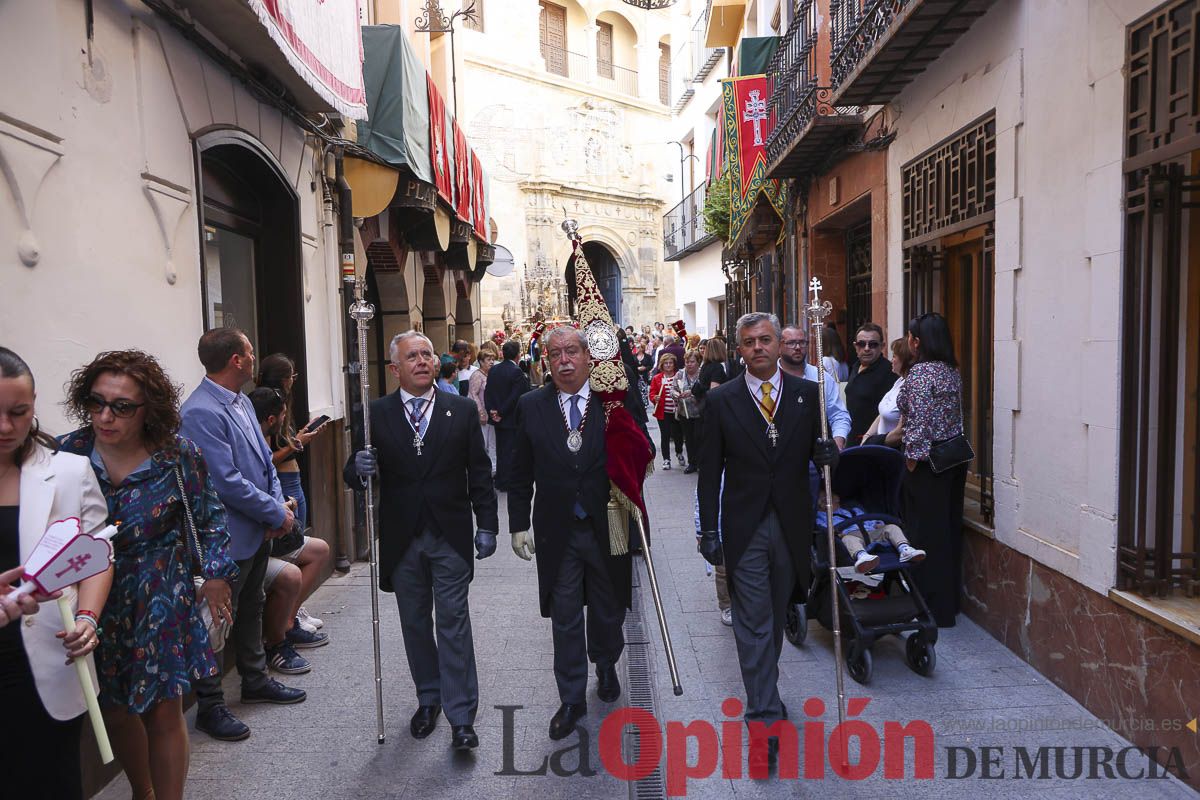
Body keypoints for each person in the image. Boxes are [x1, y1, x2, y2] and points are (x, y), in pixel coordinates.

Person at [56, 349, 234, 800]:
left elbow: (210, 517)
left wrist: (215, 575)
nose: (105, 417)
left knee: (163, 708)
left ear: (147, 409)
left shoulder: (176, 454)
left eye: (121, 407)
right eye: (96, 403)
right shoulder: (69, 452)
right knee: (114, 707)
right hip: (93, 596)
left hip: (159, 590)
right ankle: (143, 791)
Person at [696, 312, 838, 769]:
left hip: (793, 524)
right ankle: (762, 721)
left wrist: (829, 453)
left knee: (775, 619)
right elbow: (709, 472)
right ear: (738, 350)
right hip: (745, 526)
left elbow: (827, 451)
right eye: (748, 342)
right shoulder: (723, 401)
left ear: (781, 345)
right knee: (753, 623)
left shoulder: (807, 396)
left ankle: (766, 691)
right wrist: (708, 529)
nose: (758, 347)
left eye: (765, 339)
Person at [347, 331, 497, 751]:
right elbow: (353, 474)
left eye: (427, 354)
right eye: (411, 356)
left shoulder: (462, 409)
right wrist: (358, 467)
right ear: (395, 368)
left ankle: (462, 715)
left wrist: (487, 524)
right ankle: (428, 697)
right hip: (402, 537)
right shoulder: (376, 412)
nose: (422, 361)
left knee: (453, 623)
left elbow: (479, 473)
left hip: (449, 534)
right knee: (414, 623)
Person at [508, 326, 646, 741]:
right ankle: (570, 699)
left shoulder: (613, 402)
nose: (564, 360)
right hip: (557, 530)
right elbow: (518, 471)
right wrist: (517, 524)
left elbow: (643, 450)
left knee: (608, 609)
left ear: (588, 356)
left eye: (572, 351)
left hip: (608, 525)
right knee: (565, 616)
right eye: (555, 354)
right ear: (545, 361)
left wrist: (633, 451)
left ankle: (605, 663)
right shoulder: (530, 406)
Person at [180, 328, 305, 743]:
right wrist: (275, 512)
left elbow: (265, 461)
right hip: (225, 536)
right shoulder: (200, 411)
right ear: (236, 360)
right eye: (250, 352)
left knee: (251, 605)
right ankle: (211, 704)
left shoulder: (242, 403)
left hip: (257, 527)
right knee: (214, 618)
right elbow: (224, 481)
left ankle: (254, 679)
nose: (254, 358)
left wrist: (276, 508)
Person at [0, 347, 114, 800]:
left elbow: (97, 551)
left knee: (50, 781)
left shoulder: (68, 472)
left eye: (18, 412)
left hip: (47, 655)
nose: (6, 427)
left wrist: (87, 617)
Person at [898, 312, 970, 628]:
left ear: (917, 341)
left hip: (929, 463)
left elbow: (919, 422)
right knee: (947, 529)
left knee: (926, 534)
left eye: (911, 337)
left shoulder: (921, 374)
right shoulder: (951, 372)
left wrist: (912, 458)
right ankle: (948, 604)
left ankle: (928, 605)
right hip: (953, 460)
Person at [247, 387, 324, 676]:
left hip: (276, 516)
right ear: (271, 418)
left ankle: (288, 621)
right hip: (257, 533)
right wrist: (280, 510)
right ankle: (276, 639)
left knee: (319, 550)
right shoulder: (249, 439)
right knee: (289, 572)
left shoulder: (260, 434)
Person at [256, 354, 330, 640]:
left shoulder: (277, 405)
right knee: (292, 548)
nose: (293, 381)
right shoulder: (267, 406)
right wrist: (297, 444)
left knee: (296, 544)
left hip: (292, 478)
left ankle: (295, 611)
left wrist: (296, 439)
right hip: (284, 482)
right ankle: (289, 617)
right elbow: (267, 459)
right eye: (292, 376)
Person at [815, 487, 925, 573]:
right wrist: (835, 533)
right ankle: (862, 557)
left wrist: (878, 524)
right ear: (822, 505)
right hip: (851, 535)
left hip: (871, 532)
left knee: (892, 527)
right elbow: (823, 528)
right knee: (848, 539)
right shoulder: (821, 516)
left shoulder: (853, 510)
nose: (836, 502)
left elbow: (870, 519)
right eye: (830, 501)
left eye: (836, 500)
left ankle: (905, 549)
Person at [778, 325, 850, 449]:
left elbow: (838, 415)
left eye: (802, 342)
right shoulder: (770, 377)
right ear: (779, 346)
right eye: (791, 343)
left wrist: (837, 444)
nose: (797, 347)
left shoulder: (822, 378)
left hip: (817, 454)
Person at [844, 322, 898, 446]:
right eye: (862, 344)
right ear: (855, 346)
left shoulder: (889, 372)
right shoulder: (856, 366)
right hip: (853, 440)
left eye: (873, 344)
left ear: (882, 346)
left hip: (873, 443)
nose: (867, 348)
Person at [485, 339, 528, 492]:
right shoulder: (516, 371)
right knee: (510, 450)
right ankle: (507, 480)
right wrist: (501, 412)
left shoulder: (494, 370)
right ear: (517, 355)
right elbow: (515, 397)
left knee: (501, 449)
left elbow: (487, 392)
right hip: (510, 418)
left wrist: (492, 411)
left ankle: (501, 479)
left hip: (498, 417)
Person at [864, 337, 914, 445]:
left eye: (895, 356)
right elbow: (883, 413)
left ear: (905, 360)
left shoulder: (912, 388)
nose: (892, 360)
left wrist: (875, 443)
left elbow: (902, 432)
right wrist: (867, 436)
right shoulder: (899, 381)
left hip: (892, 451)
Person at [649, 353, 684, 470]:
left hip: (677, 411)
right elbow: (652, 393)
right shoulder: (657, 378)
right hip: (663, 412)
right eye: (666, 363)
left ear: (674, 364)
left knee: (678, 435)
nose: (668, 365)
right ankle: (666, 459)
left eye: (671, 363)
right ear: (662, 365)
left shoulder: (679, 376)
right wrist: (654, 398)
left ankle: (679, 453)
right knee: (665, 435)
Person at [467, 348, 497, 476]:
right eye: (488, 360)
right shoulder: (477, 375)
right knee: (483, 442)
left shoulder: (491, 374)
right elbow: (473, 395)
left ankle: (494, 469)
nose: (491, 362)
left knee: (492, 442)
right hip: (482, 414)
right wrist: (481, 413)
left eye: (492, 359)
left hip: (491, 413)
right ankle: (482, 470)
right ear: (480, 361)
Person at [673, 350, 703, 473]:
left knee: (699, 438)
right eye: (687, 362)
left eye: (692, 362)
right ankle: (692, 463)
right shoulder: (680, 374)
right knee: (689, 438)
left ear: (698, 362)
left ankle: (701, 463)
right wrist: (676, 394)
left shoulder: (702, 374)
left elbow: (705, 390)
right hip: (684, 412)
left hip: (699, 412)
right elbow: (672, 390)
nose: (689, 364)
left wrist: (692, 393)